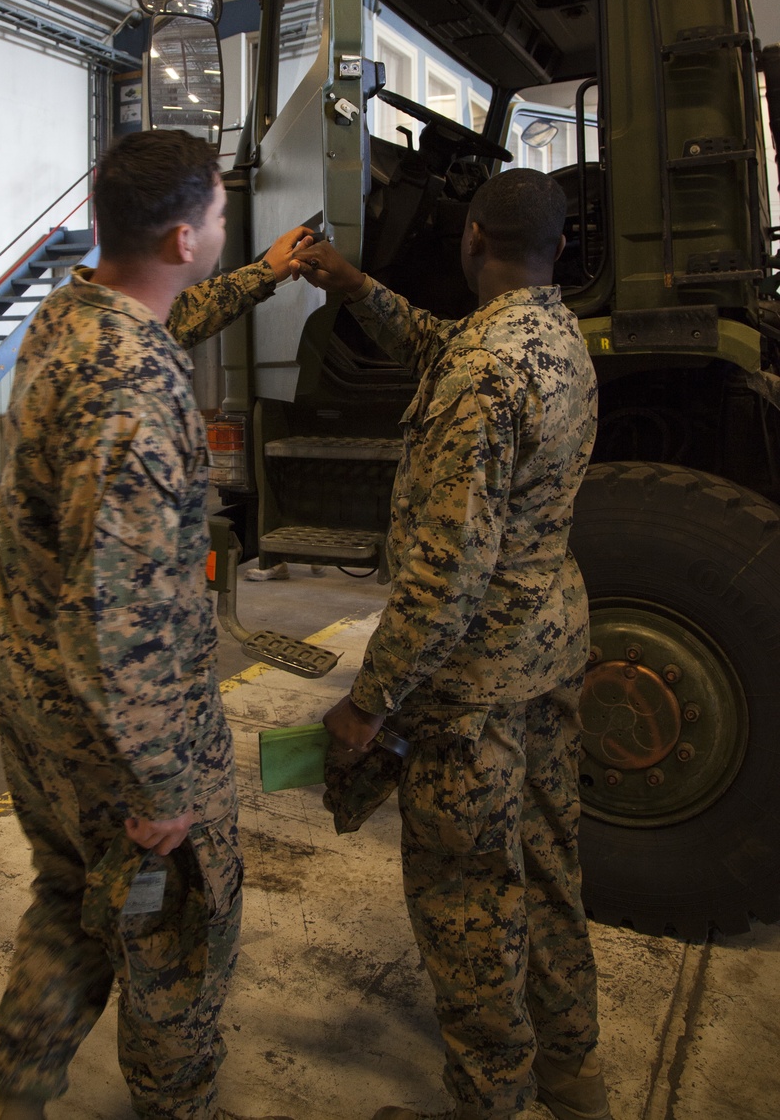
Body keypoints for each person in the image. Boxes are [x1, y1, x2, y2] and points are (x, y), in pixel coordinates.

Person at [0, 130, 308, 1120]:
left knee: (68, 900)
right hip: (115, 722)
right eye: (215, 213)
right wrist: (160, 781)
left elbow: (175, 315)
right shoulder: (135, 386)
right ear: (180, 236)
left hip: (33, 693)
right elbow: (124, 609)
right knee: (170, 929)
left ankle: (19, 1091)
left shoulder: (74, 319)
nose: (220, 224)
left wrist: (263, 274)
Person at [291, 169, 610, 1120]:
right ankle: (573, 1073)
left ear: (472, 238)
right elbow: (444, 341)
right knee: (550, 869)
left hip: (472, 688)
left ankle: (491, 1101)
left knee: (470, 901)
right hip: (549, 654)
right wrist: (355, 288)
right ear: (557, 248)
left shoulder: (482, 374)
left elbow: (444, 576)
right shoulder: (558, 340)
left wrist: (366, 703)